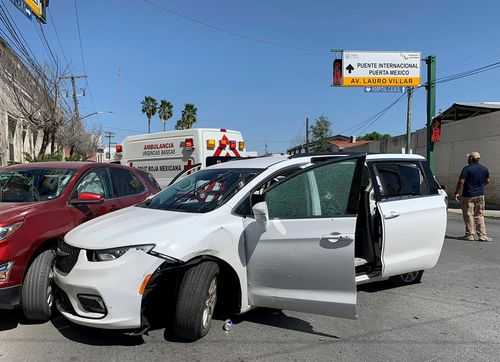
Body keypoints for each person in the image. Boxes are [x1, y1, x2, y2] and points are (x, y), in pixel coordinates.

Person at [454, 152, 491, 241]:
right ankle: (482, 235)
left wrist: (457, 192)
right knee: (479, 215)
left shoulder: (467, 169)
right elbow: (487, 181)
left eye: (468, 158)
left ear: (470, 159)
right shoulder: (484, 169)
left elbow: (461, 181)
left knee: (469, 215)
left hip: (468, 195)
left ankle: (470, 235)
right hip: (480, 195)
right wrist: (480, 186)